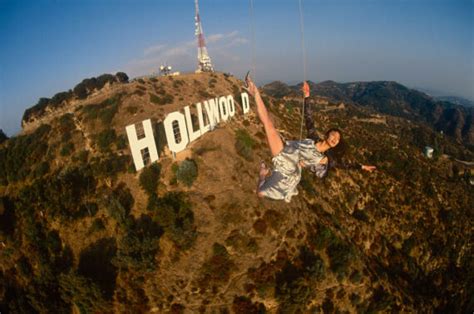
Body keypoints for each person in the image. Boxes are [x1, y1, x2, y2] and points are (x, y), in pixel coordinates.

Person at [244, 76, 376, 202]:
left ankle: (262, 174)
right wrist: (307, 97)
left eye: (338, 139)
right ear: (326, 135)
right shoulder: (313, 137)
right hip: (284, 151)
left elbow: (345, 164)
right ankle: (254, 92)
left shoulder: (326, 158)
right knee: (268, 124)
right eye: (333, 135)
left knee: (260, 193)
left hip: (290, 172)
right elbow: (309, 118)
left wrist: (362, 166)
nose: (335, 138)